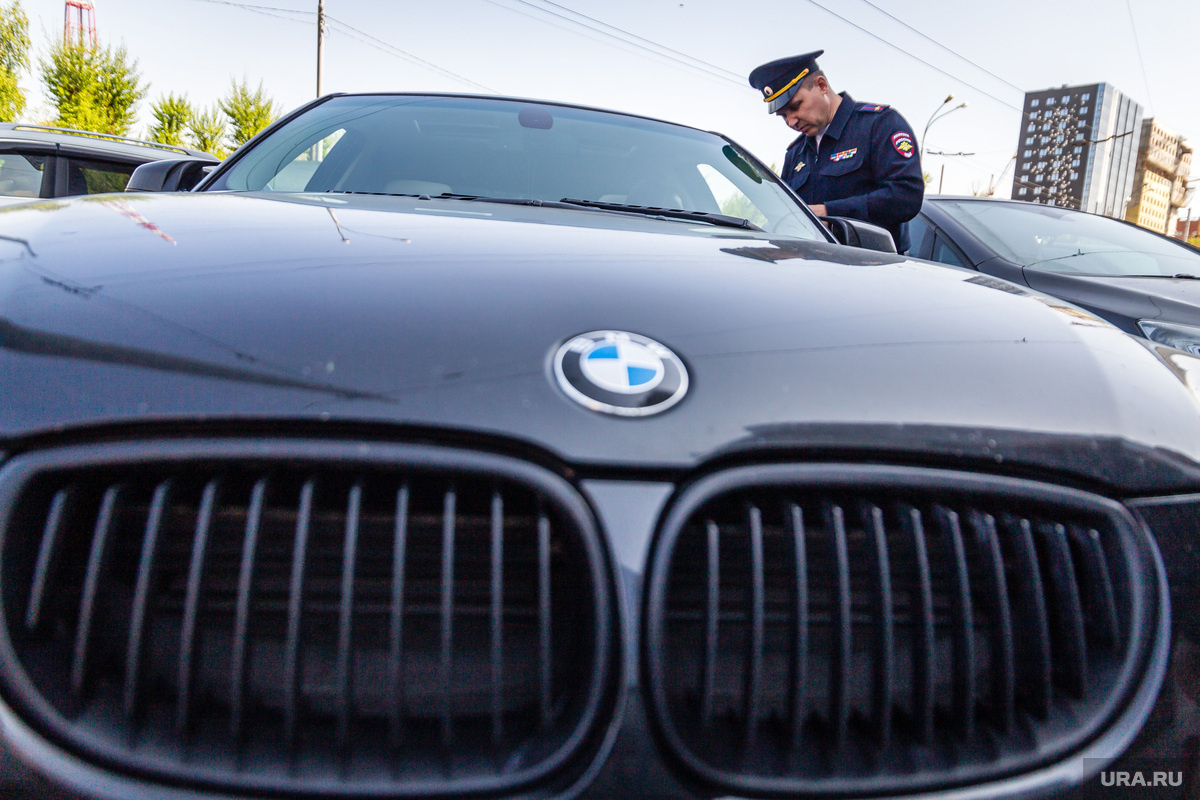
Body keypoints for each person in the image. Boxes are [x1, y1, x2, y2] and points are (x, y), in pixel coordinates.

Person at [749, 50, 924, 252]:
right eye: (783, 116)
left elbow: (906, 196)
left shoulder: (879, 125)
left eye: (796, 106)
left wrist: (829, 213)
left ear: (822, 85)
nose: (791, 121)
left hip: (874, 269)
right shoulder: (796, 153)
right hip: (808, 269)